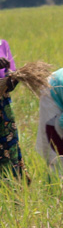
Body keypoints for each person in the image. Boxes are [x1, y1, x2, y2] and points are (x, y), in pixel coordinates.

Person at [0, 41, 26, 179]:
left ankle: (12, 185)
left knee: (9, 146)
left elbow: (11, 72)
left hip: (2, 105)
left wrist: (13, 80)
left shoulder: (3, 44)